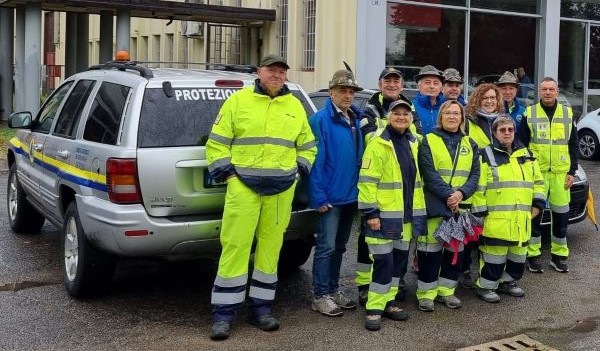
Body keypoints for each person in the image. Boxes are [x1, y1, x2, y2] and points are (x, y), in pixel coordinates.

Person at [206, 54, 317, 340]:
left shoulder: (294, 105)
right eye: (271, 70)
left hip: (281, 190)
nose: (277, 75)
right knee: (235, 246)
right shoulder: (238, 102)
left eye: (281, 71)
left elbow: (307, 146)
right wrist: (229, 175)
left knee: (271, 250)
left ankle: (262, 310)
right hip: (243, 186)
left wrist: (298, 171)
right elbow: (217, 143)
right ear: (259, 72)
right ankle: (223, 315)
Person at [358, 100, 427, 331]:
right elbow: (367, 182)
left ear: (410, 118)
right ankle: (374, 307)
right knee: (382, 262)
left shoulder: (415, 143)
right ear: (388, 117)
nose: (401, 117)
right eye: (396, 113)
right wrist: (370, 213)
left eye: (405, 114)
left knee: (398, 263)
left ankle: (389, 302)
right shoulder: (378, 144)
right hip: (382, 216)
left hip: (405, 217)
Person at [356, 67, 416, 305]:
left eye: (396, 81)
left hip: (402, 183)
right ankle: (364, 284)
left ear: (401, 85)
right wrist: (396, 133)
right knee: (368, 239)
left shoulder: (409, 108)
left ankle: (393, 283)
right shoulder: (369, 108)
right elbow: (371, 138)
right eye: (387, 81)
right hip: (375, 180)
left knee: (398, 241)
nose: (392, 85)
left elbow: (415, 136)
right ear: (380, 84)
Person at [471, 115, 545, 303]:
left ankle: (508, 282)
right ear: (494, 133)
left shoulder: (526, 155)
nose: (506, 133)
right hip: (495, 220)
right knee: (493, 257)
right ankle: (486, 286)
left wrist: (537, 204)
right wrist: (480, 214)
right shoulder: (485, 155)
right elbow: (478, 188)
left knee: (518, 256)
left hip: (522, 219)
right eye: (502, 130)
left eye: (510, 130)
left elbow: (538, 182)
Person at [309, 70, 364, 317]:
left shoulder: (354, 119)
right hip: (330, 198)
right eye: (343, 90)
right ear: (331, 92)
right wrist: (318, 196)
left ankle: (333, 289)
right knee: (326, 248)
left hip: (350, 196)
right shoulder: (320, 120)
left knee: (340, 248)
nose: (348, 95)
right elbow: (314, 161)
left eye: (351, 91)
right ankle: (320, 295)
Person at [416, 100, 480, 311]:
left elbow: (474, 175)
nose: (452, 116)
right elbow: (428, 172)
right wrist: (449, 195)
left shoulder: (470, 143)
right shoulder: (429, 140)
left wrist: (461, 194)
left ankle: (447, 291)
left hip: (459, 207)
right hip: (435, 205)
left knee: (455, 252)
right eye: (448, 113)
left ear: (462, 118)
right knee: (429, 252)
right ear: (441, 117)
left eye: (456, 113)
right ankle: (426, 293)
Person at [518, 77, 579, 273]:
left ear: (557, 91)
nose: (547, 92)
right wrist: (525, 171)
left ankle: (559, 256)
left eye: (551, 89)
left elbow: (574, 145)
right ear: (539, 91)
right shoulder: (530, 113)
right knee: (535, 215)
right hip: (537, 174)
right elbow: (521, 145)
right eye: (544, 89)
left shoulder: (568, 114)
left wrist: (572, 171)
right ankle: (533, 255)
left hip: (561, 176)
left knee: (561, 217)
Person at [460, 83, 503, 289]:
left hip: (496, 184)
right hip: (473, 182)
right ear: (477, 98)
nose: (489, 101)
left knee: (488, 231)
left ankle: (486, 274)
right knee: (471, 229)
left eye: (493, 98)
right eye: (485, 97)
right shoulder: (468, 122)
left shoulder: (503, 122)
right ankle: (465, 270)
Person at [413, 65, 445, 135]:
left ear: (441, 88)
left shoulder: (446, 108)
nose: (432, 86)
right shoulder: (410, 107)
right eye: (427, 82)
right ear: (418, 86)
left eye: (435, 83)